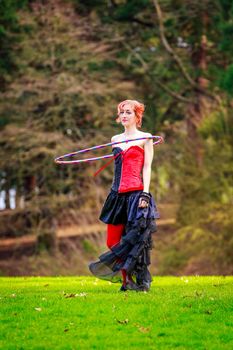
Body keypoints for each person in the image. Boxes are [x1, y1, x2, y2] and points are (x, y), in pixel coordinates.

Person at [89, 99, 161, 292]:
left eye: (128, 112)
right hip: (116, 195)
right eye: (121, 112)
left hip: (136, 195)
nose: (124, 115)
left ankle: (128, 282)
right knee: (112, 242)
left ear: (137, 116)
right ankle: (127, 278)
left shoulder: (146, 137)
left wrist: (145, 195)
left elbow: (147, 167)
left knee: (134, 241)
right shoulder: (115, 139)